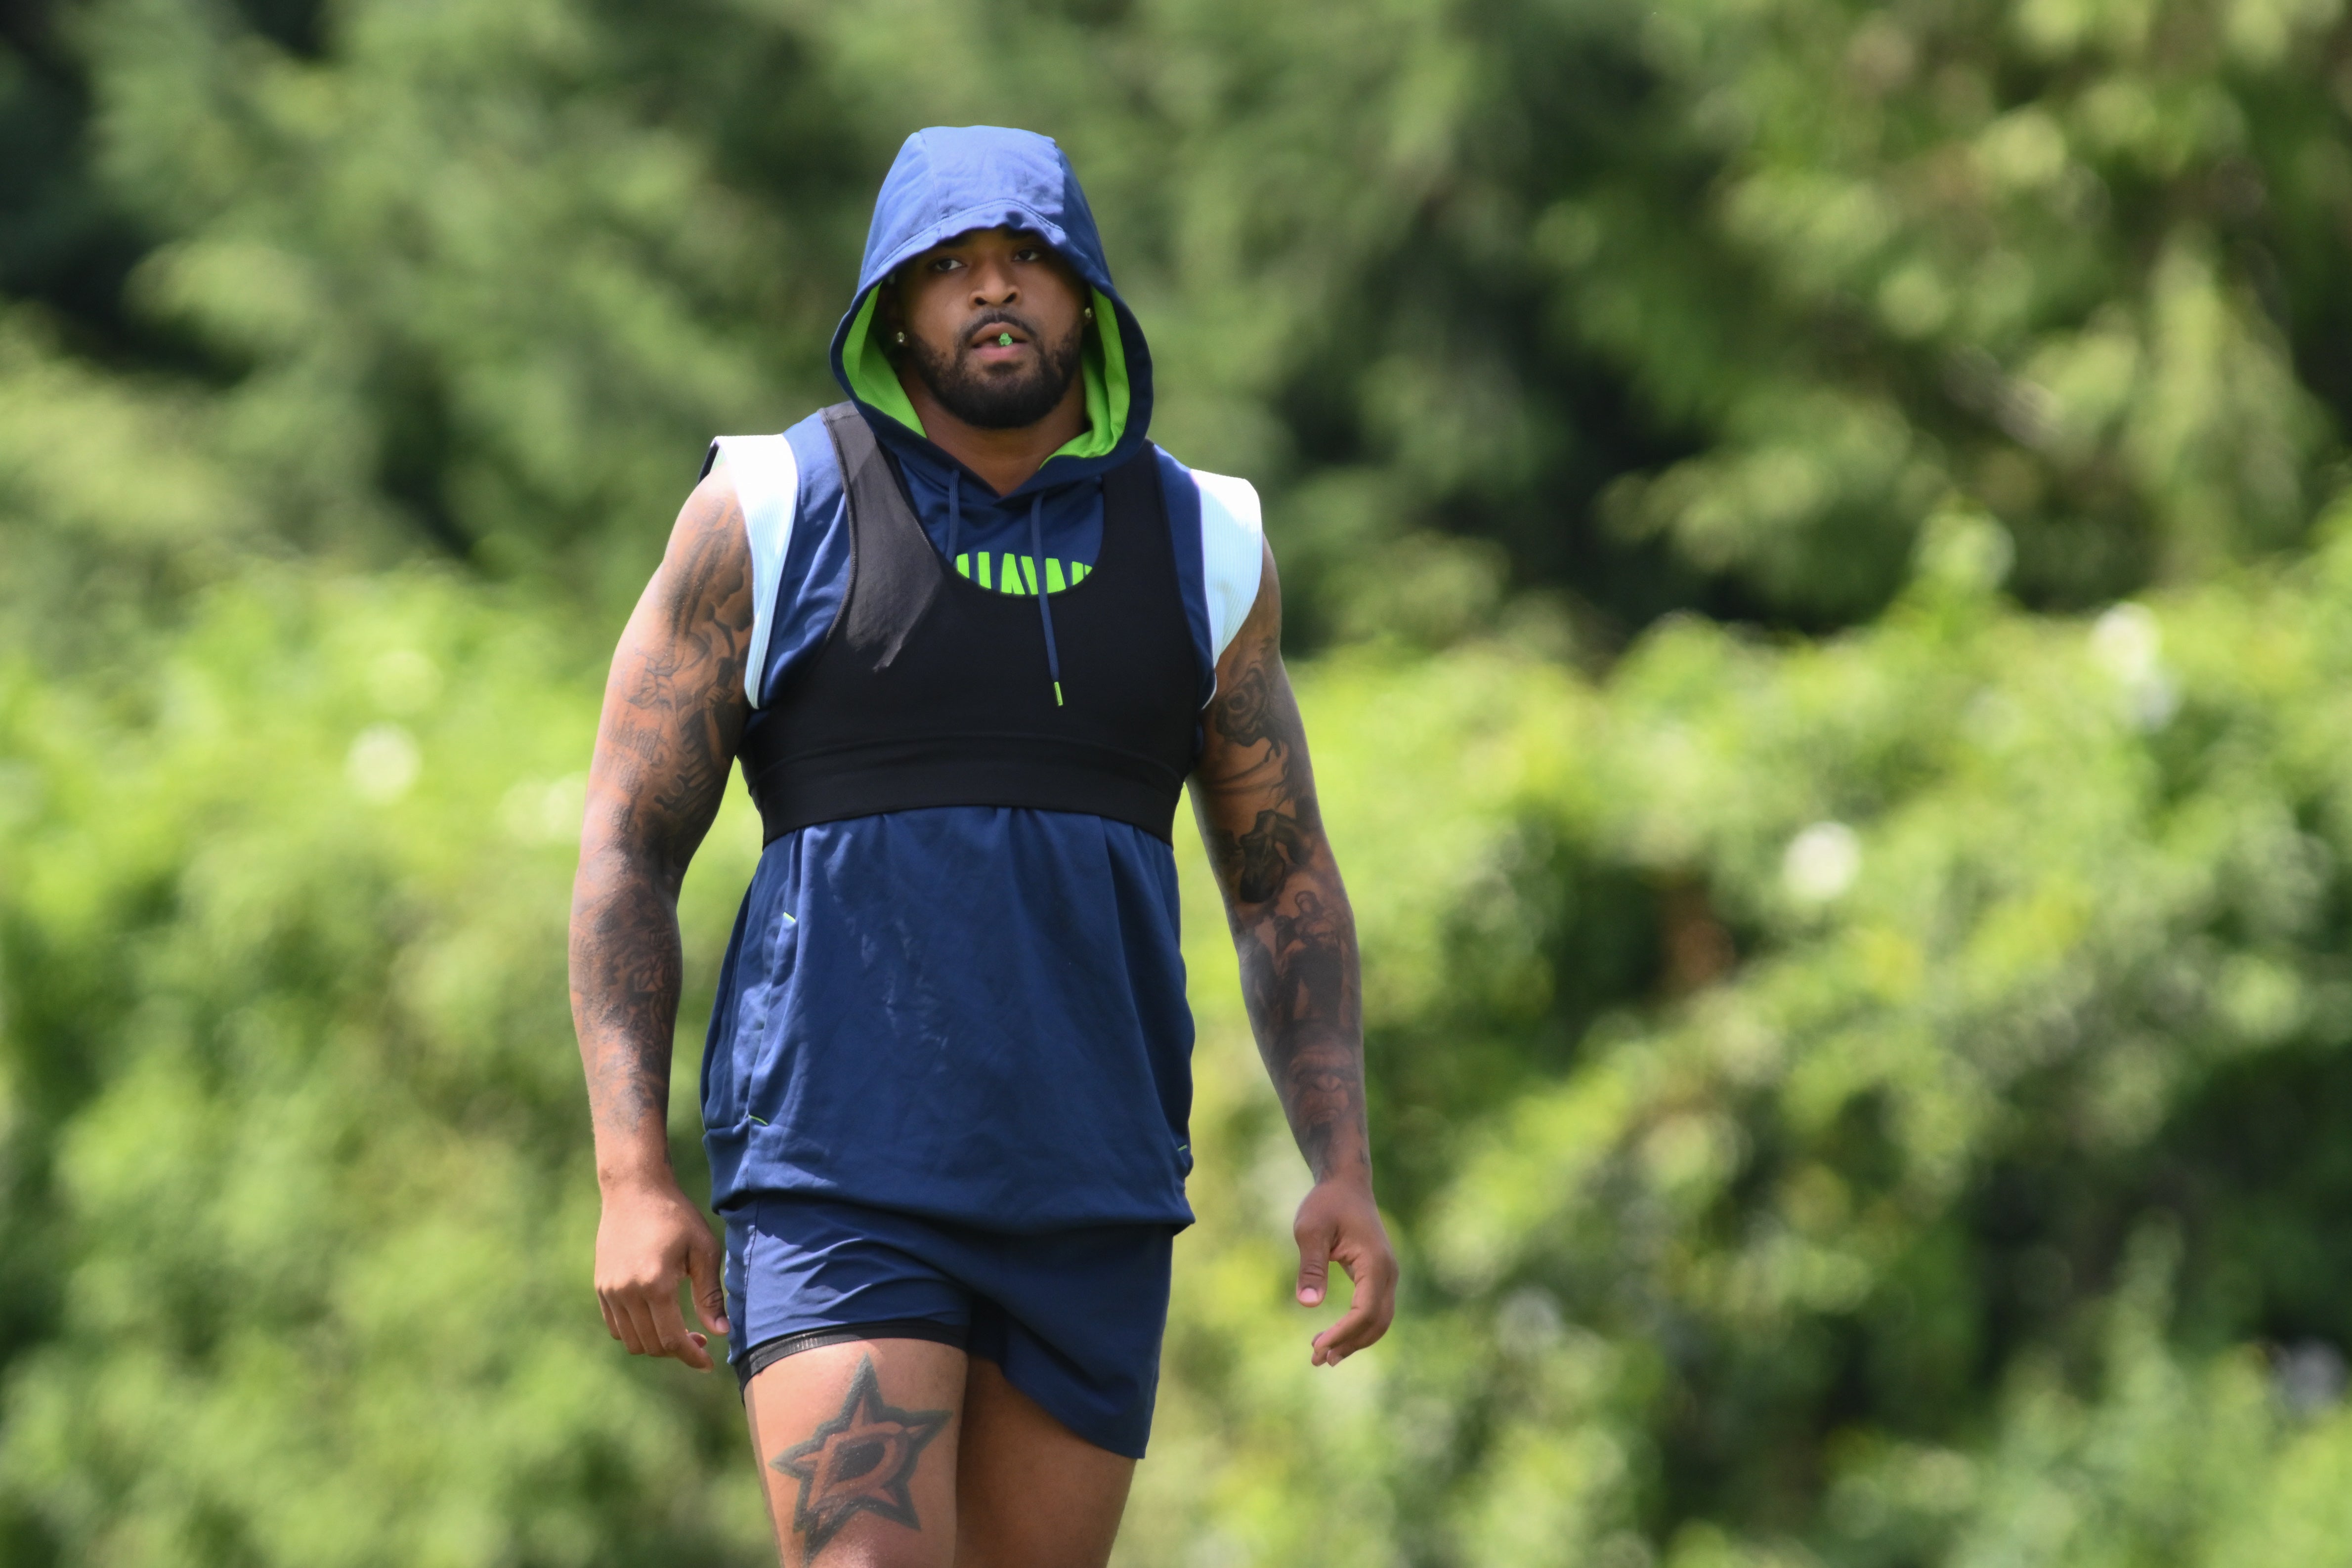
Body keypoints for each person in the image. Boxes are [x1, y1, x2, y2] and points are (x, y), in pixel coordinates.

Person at [568, 125, 1396, 1568]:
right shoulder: (768, 511)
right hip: (838, 1174)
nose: (993, 289)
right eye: (950, 266)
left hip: (1093, 1184)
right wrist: (630, 1173)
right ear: (895, 308)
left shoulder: (1207, 541)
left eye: (1029, 259)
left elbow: (1283, 884)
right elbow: (629, 845)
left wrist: (1343, 1161)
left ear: (1090, 298)